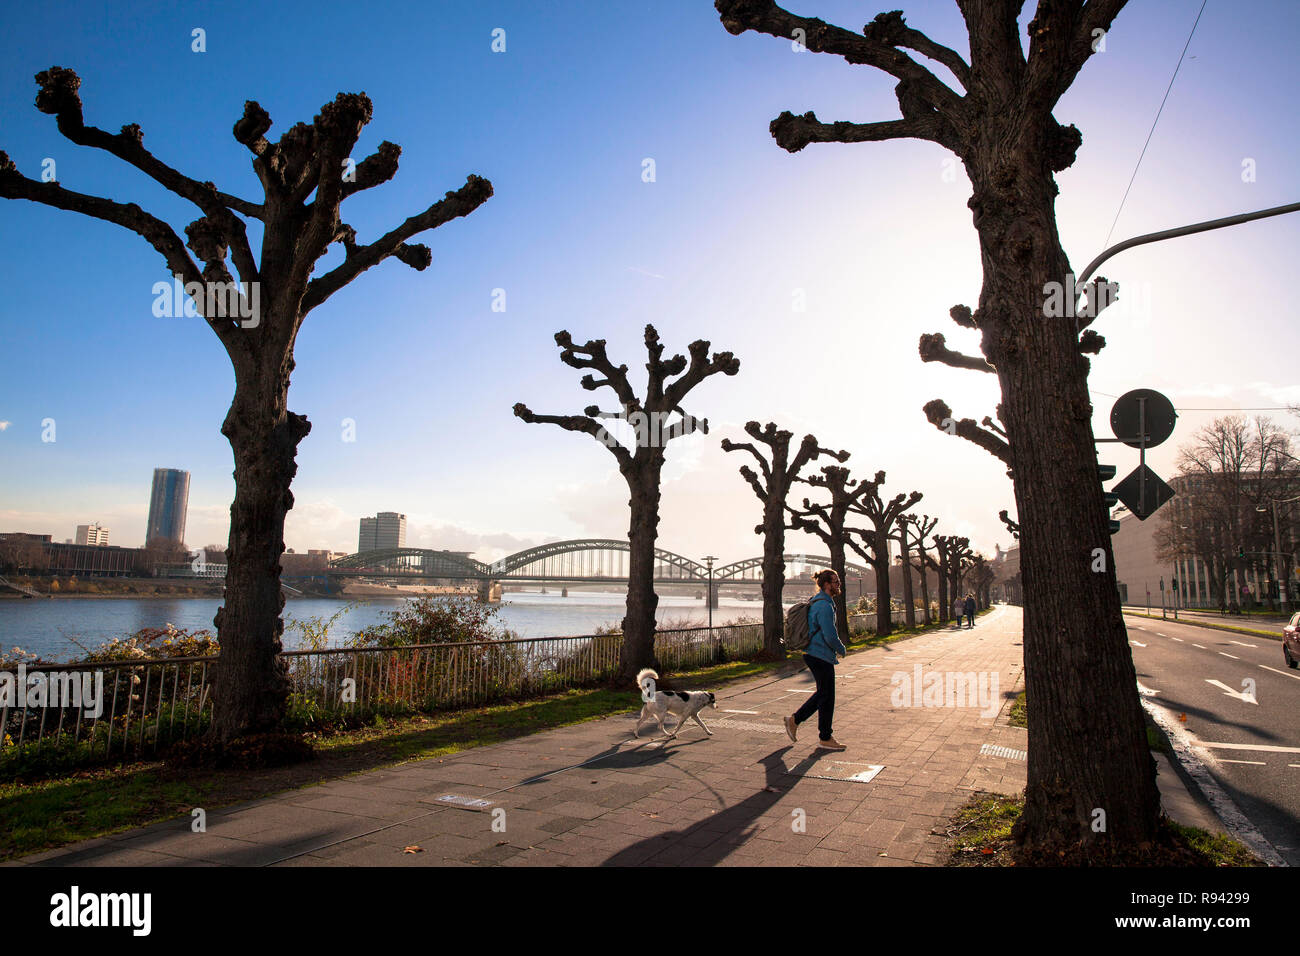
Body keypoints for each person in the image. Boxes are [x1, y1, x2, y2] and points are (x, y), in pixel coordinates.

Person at [784, 569, 847, 751]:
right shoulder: (824, 606)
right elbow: (829, 634)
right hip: (819, 654)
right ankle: (795, 720)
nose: (838, 585)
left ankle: (825, 737)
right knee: (825, 695)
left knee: (827, 696)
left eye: (838, 582)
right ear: (826, 585)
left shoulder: (819, 601)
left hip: (815, 653)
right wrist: (841, 648)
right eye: (835, 582)